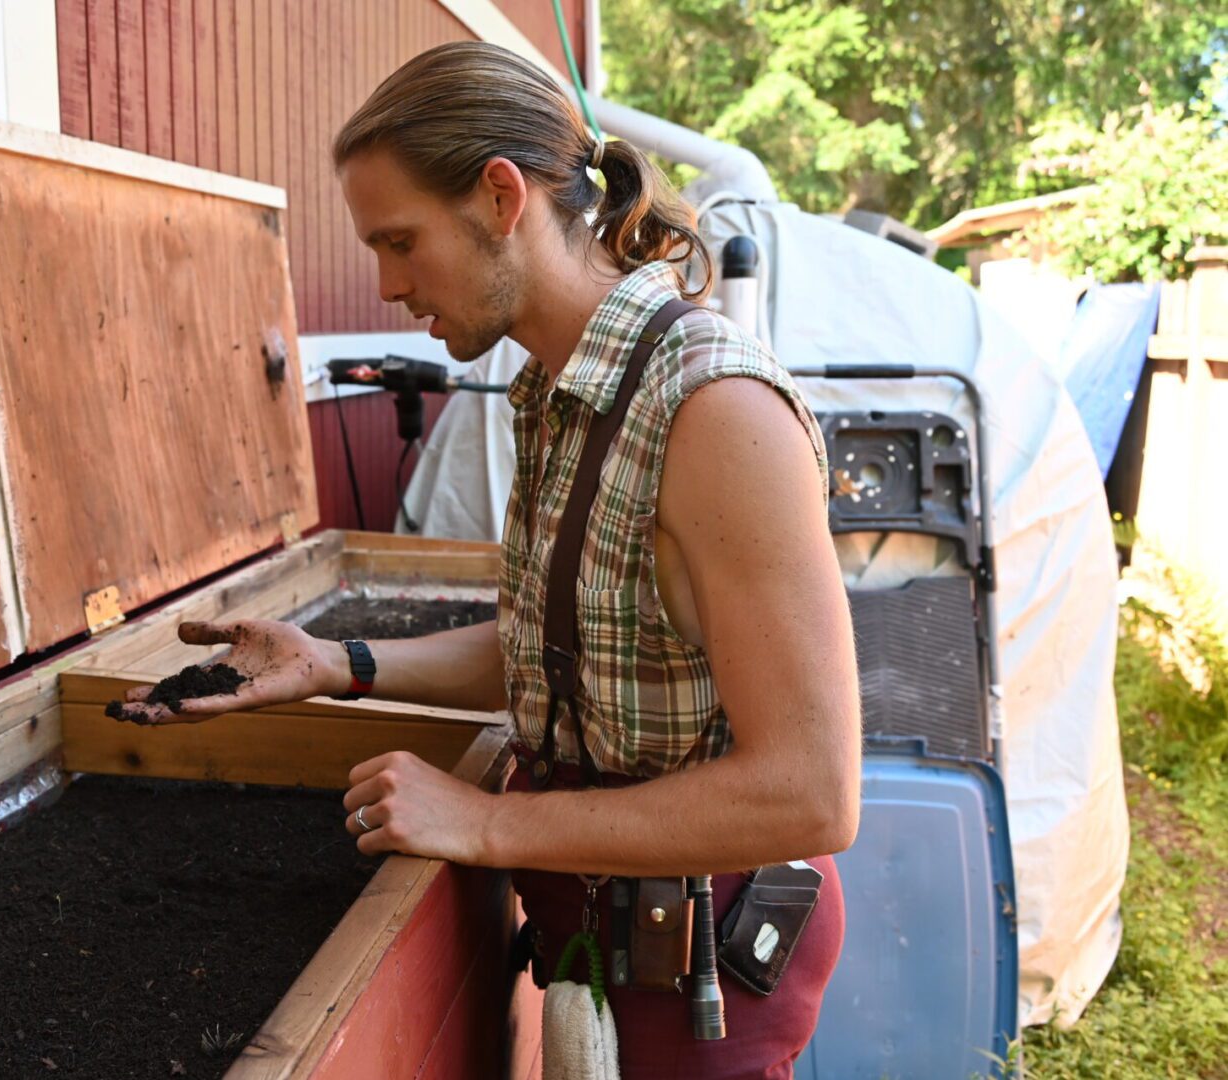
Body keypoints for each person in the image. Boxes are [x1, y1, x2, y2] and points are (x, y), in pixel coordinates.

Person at [115, 42, 860, 1080]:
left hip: (701, 981)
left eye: (400, 240)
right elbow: (561, 652)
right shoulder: (549, 391)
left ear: (500, 196)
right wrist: (338, 664)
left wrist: (484, 818)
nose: (383, 285)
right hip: (595, 942)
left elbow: (810, 793)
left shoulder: (715, 412)